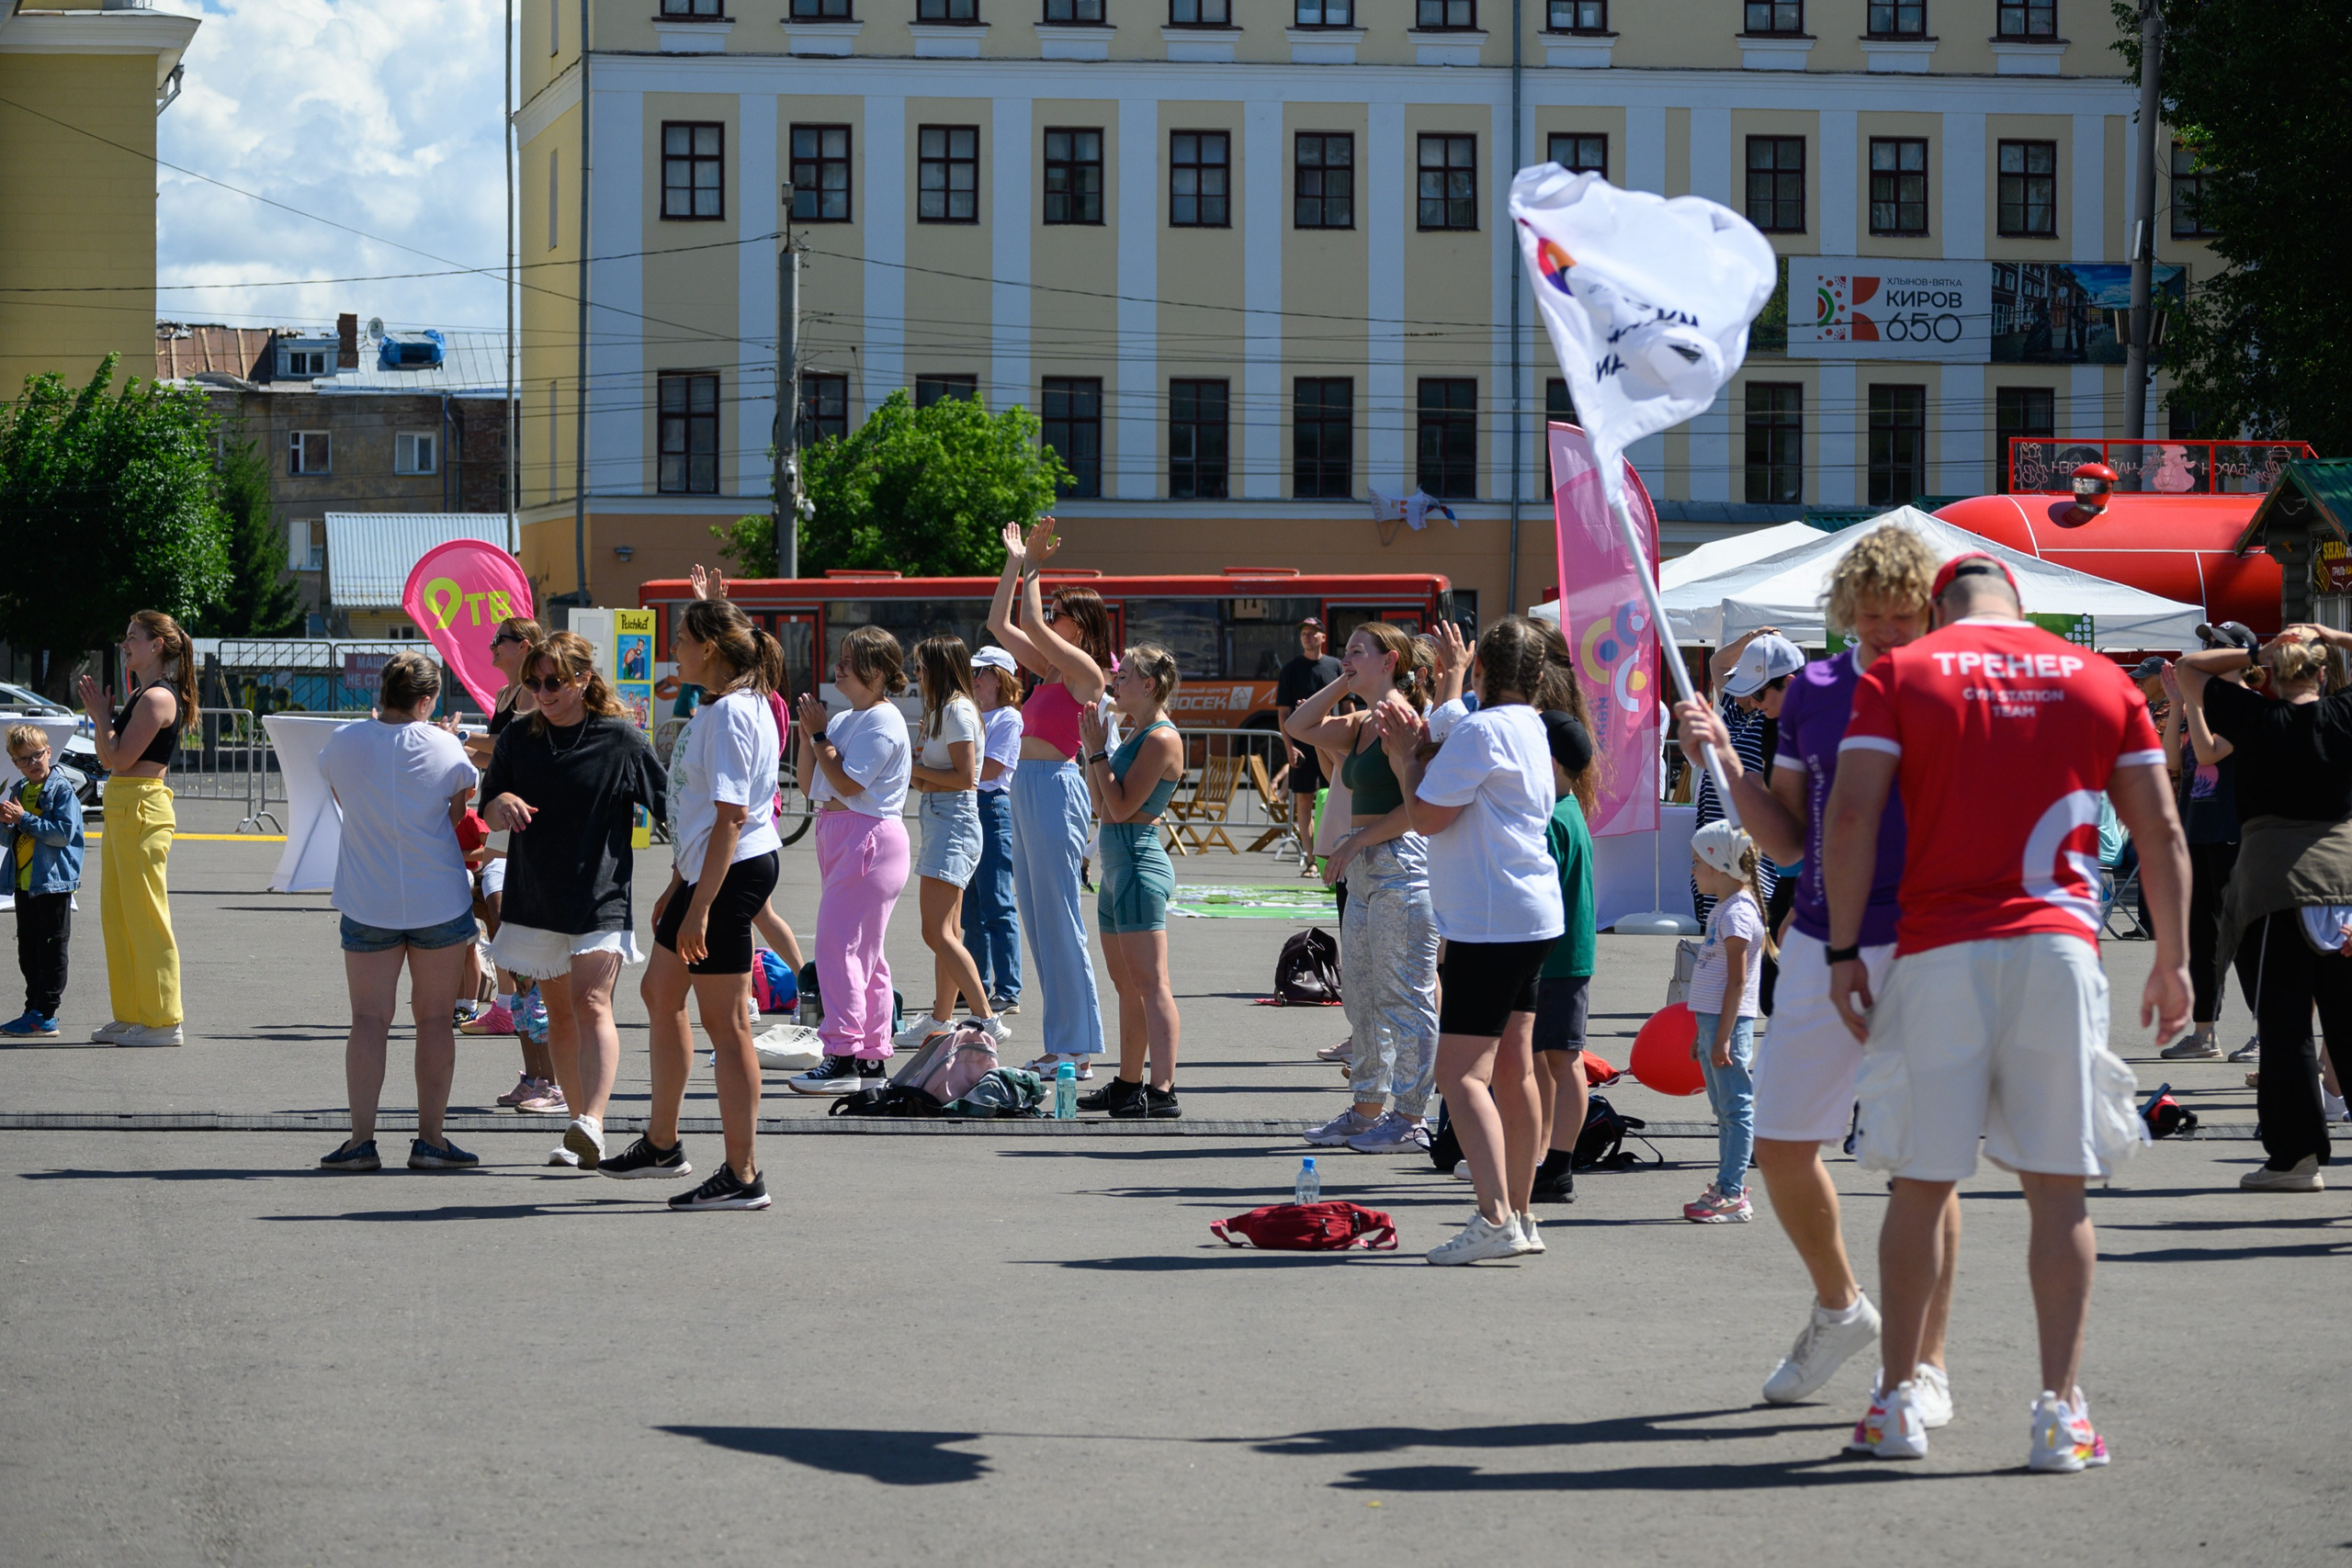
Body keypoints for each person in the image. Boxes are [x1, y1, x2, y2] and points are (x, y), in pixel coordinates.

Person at [1823, 551, 2188, 1470]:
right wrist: (2174, 959)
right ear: (2019, 604)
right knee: (2058, 1189)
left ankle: (1896, 1403)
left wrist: (1840, 950)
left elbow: (1851, 817)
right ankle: (2060, 1413)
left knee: (1921, 1181)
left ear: (1938, 608)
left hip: (1939, 949)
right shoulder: (2098, 677)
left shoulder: (1902, 672)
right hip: (2057, 948)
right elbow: (2159, 828)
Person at [1673, 523, 1961, 1416]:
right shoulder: (1817, 694)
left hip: (1930, 942)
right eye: (1866, 616)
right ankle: (1841, 1309)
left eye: (1900, 615)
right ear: (1842, 614)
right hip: (1820, 941)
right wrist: (1722, 759)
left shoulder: (1957, 683)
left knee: (1923, 1161)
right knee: (1780, 1144)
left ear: (1929, 610)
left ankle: (1926, 1366)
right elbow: (1788, 840)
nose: (1883, 631)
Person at [1375, 616, 1564, 1265]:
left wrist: (1405, 758)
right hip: (1529, 914)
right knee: (1513, 1068)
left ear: (1483, 667)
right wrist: (1449, 690)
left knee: (1460, 1074)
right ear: (1537, 677)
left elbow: (1426, 815)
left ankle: (1495, 1217)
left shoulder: (1485, 729)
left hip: (1490, 921)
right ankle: (1521, 1214)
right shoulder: (1530, 725)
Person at [616, 596, 785, 1208]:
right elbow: (700, 812)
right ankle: (662, 1143)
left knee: (728, 1025)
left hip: (730, 874)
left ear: (709, 648)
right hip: (708, 870)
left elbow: (732, 817)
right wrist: (678, 884)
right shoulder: (723, 704)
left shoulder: (736, 711)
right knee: (660, 993)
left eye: (682, 639)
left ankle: (743, 1174)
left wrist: (700, 905)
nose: (673, 650)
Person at [481, 631, 670, 1170]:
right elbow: (487, 807)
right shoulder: (519, 737)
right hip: (536, 897)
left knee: (591, 1003)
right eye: (534, 682)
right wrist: (502, 801)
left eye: (554, 682)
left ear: (584, 679)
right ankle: (575, 1128)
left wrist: (696, 876)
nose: (542, 692)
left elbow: (670, 809)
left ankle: (593, 1120)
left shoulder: (621, 739)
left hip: (600, 896)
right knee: (559, 1016)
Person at [2177, 623, 2352, 1191]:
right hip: (2344, 879)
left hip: (2276, 885)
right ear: (2322, 673)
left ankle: (2296, 1158)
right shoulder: (2342, 715)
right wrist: (2331, 634)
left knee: (2285, 1026)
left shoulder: (2255, 717)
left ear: (2272, 677)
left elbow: (2188, 668)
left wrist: (2258, 650)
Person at [313, 652, 483, 1172]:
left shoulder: (343, 741)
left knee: (368, 1020)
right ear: (427, 701)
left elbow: (344, 797)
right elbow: (456, 813)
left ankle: (360, 1141)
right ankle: (431, 1139)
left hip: (368, 895)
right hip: (437, 897)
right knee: (434, 1019)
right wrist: (442, 739)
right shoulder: (445, 745)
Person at [1284, 622, 1441, 1154]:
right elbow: (1300, 726)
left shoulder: (1405, 720)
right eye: (1344, 651)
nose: (1345, 657)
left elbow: (1416, 809)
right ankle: (1366, 1108)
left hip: (1400, 864)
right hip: (1365, 867)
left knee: (1406, 997)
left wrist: (1355, 843)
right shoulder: (1361, 721)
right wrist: (1343, 681)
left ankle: (1411, 1117)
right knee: (1362, 994)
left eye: (1357, 651)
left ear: (1389, 660)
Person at [986, 518, 1114, 1077]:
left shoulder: (1086, 673)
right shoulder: (1049, 672)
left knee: (1060, 920)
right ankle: (1064, 1044)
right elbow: (1000, 623)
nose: (1050, 619)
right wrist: (1015, 562)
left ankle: (1077, 1046)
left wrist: (1035, 566)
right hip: (1026, 787)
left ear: (1079, 628)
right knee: (1038, 922)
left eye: (1062, 613)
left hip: (1056, 788)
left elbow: (1032, 624)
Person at [786, 626, 914, 1094]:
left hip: (868, 839)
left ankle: (841, 1054)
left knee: (837, 949)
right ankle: (870, 1058)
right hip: (845, 836)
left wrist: (820, 733)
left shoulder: (883, 720)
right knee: (864, 955)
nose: (837, 668)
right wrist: (810, 736)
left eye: (848, 661)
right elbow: (811, 785)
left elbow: (848, 783)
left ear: (876, 672)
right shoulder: (845, 719)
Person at [1073, 644, 1187, 1118]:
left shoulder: (1161, 738)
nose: (1114, 684)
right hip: (1117, 869)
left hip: (1139, 865)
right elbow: (1102, 803)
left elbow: (1120, 808)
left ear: (1149, 685)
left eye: (1123, 678)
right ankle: (1127, 1083)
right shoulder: (1136, 731)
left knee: (1151, 983)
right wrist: (1092, 751)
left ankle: (1162, 1090)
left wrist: (1099, 750)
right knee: (1126, 985)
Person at [77, 611, 195, 1047]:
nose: (125, 644)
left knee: (146, 917)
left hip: (142, 806)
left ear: (156, 645)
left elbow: (121, 758)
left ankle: (163, 1020)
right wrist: (102, 718)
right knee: (118, 916)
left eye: (132, 637)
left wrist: (100, 716)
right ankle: (131, 1014)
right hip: (125, 804)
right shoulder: (142, 695)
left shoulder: (157, 698)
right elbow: (109, 758)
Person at [460, 615, 558, 1106]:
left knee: (528, 958)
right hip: (500, 830)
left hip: (525, 832)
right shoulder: (504, 697)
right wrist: (465, 748)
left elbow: (511, 747)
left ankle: (551, 1078)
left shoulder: (533, 697)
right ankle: (534, 1074)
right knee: (511, 952)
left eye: (498, 640)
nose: (491, 648)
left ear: (522, 645)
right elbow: (494, 759)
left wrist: (460, 739)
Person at [896, 635, 1009, 1048]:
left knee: (936, 931)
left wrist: (914, 767)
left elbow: (965, 777)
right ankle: (941, 1019)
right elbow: (929, 780)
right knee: (948, 931)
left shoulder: (957, 710)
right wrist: (918, 770)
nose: (916, 675)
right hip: (944, 817)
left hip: (953, 821)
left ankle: (986, 1017)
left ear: (939, 668)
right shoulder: (945, 709)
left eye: (921, 667)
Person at [2158, 622, 2263, 1063]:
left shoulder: (2249, 705)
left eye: (2214, 646)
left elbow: (2207, 754)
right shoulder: (2203, 705)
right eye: (2204, 644)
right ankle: (2204, 1034)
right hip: (2198, 831)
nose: (2203, 651)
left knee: (2247, 938)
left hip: (2234, 835)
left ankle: (2267, 1032)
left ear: (2238, 656)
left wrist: (2194, 700)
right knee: (2202, 936)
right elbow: (2173, 761)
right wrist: (2178, 706)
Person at [1682, 821, 1771, 1224]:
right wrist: (1703, 1037)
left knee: (1734, 1109)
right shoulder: (1725, 908)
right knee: (1724, 1109)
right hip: (1714, 1026)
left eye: (1697, 862)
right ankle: (1726, 1187)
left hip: (1726, 1026)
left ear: (1720, 866)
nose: (1693, 870)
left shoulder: (1736, 914)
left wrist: (1721, 1039)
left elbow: (1737, 982)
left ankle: (1732, 1192)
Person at [1529, 706, 1598, 1203]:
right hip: (1562, 956)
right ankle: (1545, 1157)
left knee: (1563, 1060)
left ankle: (1558, 1165)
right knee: (1550, 1059)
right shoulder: (1566, 806)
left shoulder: (1552, 817)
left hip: (1555, 958)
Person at [1691, 627, 1797, 924]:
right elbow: (1717, 663)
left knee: (1746, 912)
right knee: (1717, 909)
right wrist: (1751, 639)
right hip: (1720, 826)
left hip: (1748, 831)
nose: (1738, 695)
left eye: (1748, 689)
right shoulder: (1739, 711)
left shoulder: (1772, 714)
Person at [1, 725, 85, 1038]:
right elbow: (9, 838)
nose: (32, 763)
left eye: (37, 755)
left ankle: (46, 1014)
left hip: (53, 882)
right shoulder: (20, 790)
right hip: (24, 883)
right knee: (28, 951)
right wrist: (6, 822)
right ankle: (32, 1009)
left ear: (49, 752)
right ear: (15, 763)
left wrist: (22, 818)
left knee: (51, 949)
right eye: (23, 760)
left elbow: (62, 834)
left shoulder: (61, 790)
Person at [961, 645, 1025, 1015]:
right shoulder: (974, 713)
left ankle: (1008, 989)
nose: (973, 679)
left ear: (998, 679)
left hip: (990, 807)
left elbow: (990, 769)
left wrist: (955, 763)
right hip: (972, 804)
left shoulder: (1008, 718)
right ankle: (976, 984)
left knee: (997, 903)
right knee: (971, 907)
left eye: (980, 672)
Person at [1276, 618, 1344, 872]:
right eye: (1304, 633)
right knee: (1304, 802)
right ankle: (1311, 859)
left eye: (1313, 633)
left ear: (1323, 638)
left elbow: (1347, 705)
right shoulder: (1291, 669)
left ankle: (1335, 856)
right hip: (1303, 747)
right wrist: (1288, 747)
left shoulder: (1336, 666)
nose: (1307, 637)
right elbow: (1283, 712)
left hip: (1331, 742)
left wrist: (1351, 741)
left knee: (1336, 798)